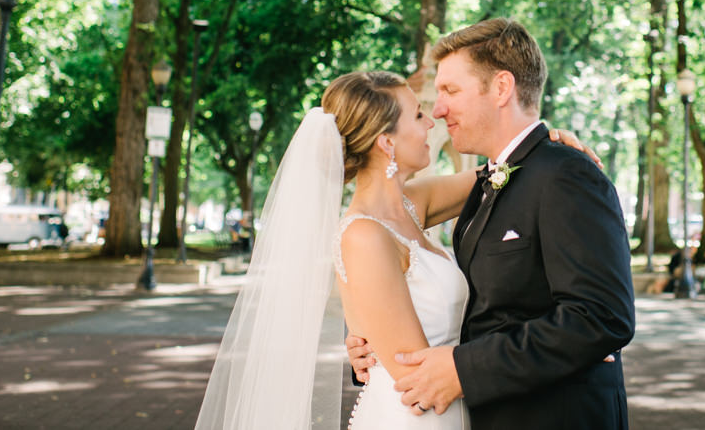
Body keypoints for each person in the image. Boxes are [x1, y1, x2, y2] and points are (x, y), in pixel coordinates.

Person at [193, 65, 597, 429]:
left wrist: (549, 142)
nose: (432, 122)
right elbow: (416, 374)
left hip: (453, 406)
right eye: (418, 115)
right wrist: (554, 348)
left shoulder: (413, 203)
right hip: (417, 416)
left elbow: (505, 169)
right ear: (386, 143)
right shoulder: (363, 236)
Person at [348, 18, 636, 430]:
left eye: (450, 90)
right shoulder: (487, 183)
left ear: (501, 88)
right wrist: (370, 343)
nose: (439, 110)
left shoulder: (566, 175)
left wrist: (464, 370)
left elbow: (601, 316)